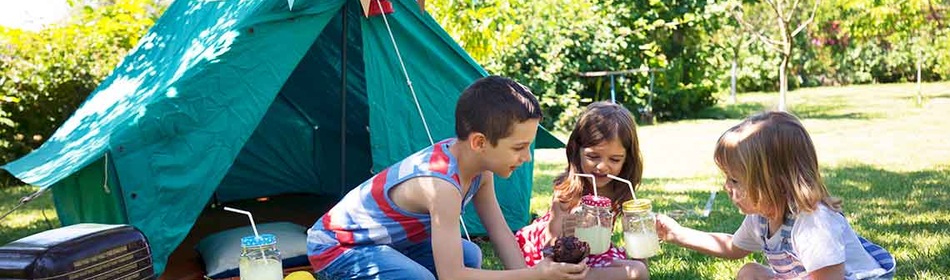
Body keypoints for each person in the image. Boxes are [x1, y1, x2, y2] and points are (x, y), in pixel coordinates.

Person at [306, 76, 589, 280]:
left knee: (470, 255)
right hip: (339, 247)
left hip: (387, 244)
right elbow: (452, 275)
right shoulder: (441, 186)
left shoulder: (479, 168)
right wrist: (534, 277)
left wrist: (530, 275)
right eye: (518, 147)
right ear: (480, 142)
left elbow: (499, 232)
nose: (526, 157)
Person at [655, 111, 896, 279]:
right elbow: (732, 247)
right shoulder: (761, 217)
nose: (726, 187)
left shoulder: (814, 223)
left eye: (735, 179)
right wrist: (677, 234)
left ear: (775, 182)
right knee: (750, 273)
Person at [515, 101, 649, 280]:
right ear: (576, 151)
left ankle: (584, 276)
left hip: (595, 254)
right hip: (556, 254)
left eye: (615, 159)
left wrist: (641, 265)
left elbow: (637, 246)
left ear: (627, 159)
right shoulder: (567, 191)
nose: (602, 166)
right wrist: (568, 233)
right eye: (593, 156)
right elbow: (551, 244)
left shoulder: (622, 190)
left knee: (637, 271)